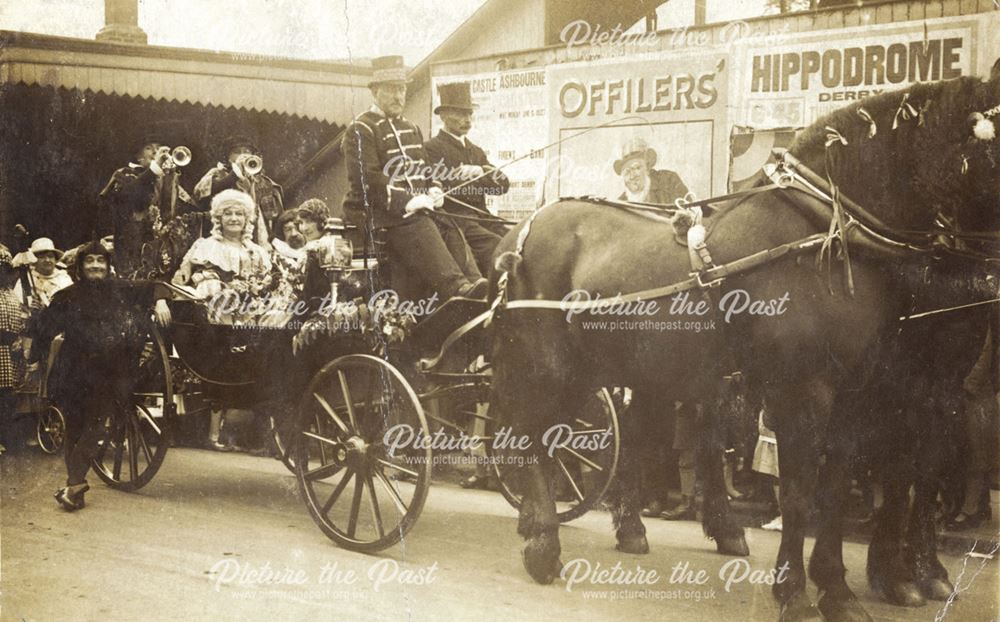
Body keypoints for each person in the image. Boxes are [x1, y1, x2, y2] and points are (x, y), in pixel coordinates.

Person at [31, 241, 171, 510]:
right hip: (74, 371)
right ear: (80, 266)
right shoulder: (67, 296)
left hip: (111, 372)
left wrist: (161, 300)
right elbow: (43, 329)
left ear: (108, 266)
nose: (95, 265)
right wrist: (34, 357)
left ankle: (74, 484)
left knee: (95, 425)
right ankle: (76, 487)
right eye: (89, 261)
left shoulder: (122, 291)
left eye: (101, 261)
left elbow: (155, 286)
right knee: (73, 427)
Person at [341, 55, 486, 301]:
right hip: (374, 211)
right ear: (375, 92)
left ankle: (476, 284)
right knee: (420, 223)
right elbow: (368, 179)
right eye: (391, 90)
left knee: (447, 222)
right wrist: (407, 201)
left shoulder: (412, 128)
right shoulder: (362, 128)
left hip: (410, 211)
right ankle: (457, 287)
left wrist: (434, 189)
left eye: (402, 89)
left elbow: (428, 170)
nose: (399, 96)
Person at [423, 82, 510, 274]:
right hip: (456, 221)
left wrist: (480, 171)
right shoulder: (431, 149)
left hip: (483, 218)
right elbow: (437, 185)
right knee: (497, 247)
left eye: (469, 114)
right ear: (444, 116)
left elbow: (502, 185)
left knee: (517, 240)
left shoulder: (476, 152)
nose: (467, 119)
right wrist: (465, 178)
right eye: (461, 114)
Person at [99, 136, 196, 278]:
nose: (155, 151)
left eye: (158, 147)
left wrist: (170, 176)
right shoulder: (124, 173)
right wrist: (155, 168)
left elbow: (187, 205)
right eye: (149, 148)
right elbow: (129, 196)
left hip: (161, 247)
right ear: (138, 156)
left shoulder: (166, 177)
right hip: (132, 245)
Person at [172, 189, 272, 302]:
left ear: (246, 219)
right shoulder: (207, 246)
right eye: (228, 214)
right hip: (214, 309)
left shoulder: (257, 251)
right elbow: (180, 281)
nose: (234, 219)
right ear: (219, 218)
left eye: (239, 214)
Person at [193, 134, 283, 247]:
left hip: (259, 239)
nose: (243, 155)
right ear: (229, 157)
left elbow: (277, 218)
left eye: (246, 151)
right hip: (224, 237)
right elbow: (200, 194)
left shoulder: (266, 182)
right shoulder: (218, 174)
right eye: (237, 152)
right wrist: (235, 174)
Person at [0, 246, 29, 455]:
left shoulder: (10, 294)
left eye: (4, 268)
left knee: (7, 397)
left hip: (8, 352)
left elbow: (21, 320)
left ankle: (4, 438)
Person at [614, 138, 691, 206]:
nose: (632, 176)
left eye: (636, 168)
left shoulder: (669, 180)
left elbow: (688, 212)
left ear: (647, 167)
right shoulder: (620, 204)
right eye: (627, 173)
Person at [13, 238, 73, 307]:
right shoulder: (25, 281)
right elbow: (17, 308)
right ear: (34, 261)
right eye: (41, 257)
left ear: (55, 259)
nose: (47, 260)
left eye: (50, 256)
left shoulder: (64, 278)